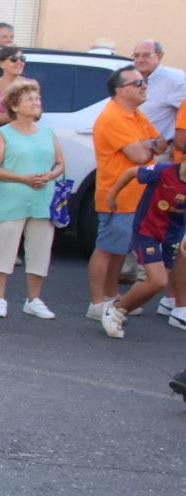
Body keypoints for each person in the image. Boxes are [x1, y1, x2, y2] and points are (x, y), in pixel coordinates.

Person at [87, 65, 165, 320]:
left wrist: (148, 146)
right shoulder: (113, 117)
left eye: (144, 82)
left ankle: (111, 296)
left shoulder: (136, 115)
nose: (144, 87)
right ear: (120, 90)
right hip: (117, 195)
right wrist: (148, 147)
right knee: (106, 248)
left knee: (120, 250)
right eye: (138, 83)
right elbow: (141, 155)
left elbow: (160, 143)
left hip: (137, 196)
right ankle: (97, 301)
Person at [0, 80, 64, 319]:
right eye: (30, 99)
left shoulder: (48, 132)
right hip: (11, 199)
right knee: (4, 248)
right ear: (15, 105)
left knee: (40, 250)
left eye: (38, 99)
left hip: (42, 199)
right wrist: (24, 178)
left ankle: (34, 299)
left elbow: (60, 163)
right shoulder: (3, 134)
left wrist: (50, 174)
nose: (36, 103)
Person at [99, 155, 186, 339]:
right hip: (147, 231)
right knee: (158, 280)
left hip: (172, 235)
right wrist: (113, 195)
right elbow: (131, 172)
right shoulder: (163, 171)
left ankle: (119, 310)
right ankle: (115, 308)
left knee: (155, 285)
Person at [132, 40, 185, 140]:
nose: (140, 60)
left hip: (157, 150)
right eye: (136, 56)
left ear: (160, 56)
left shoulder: (174, 80)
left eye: (146, 55)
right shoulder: (130, 78)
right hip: (131, 147)